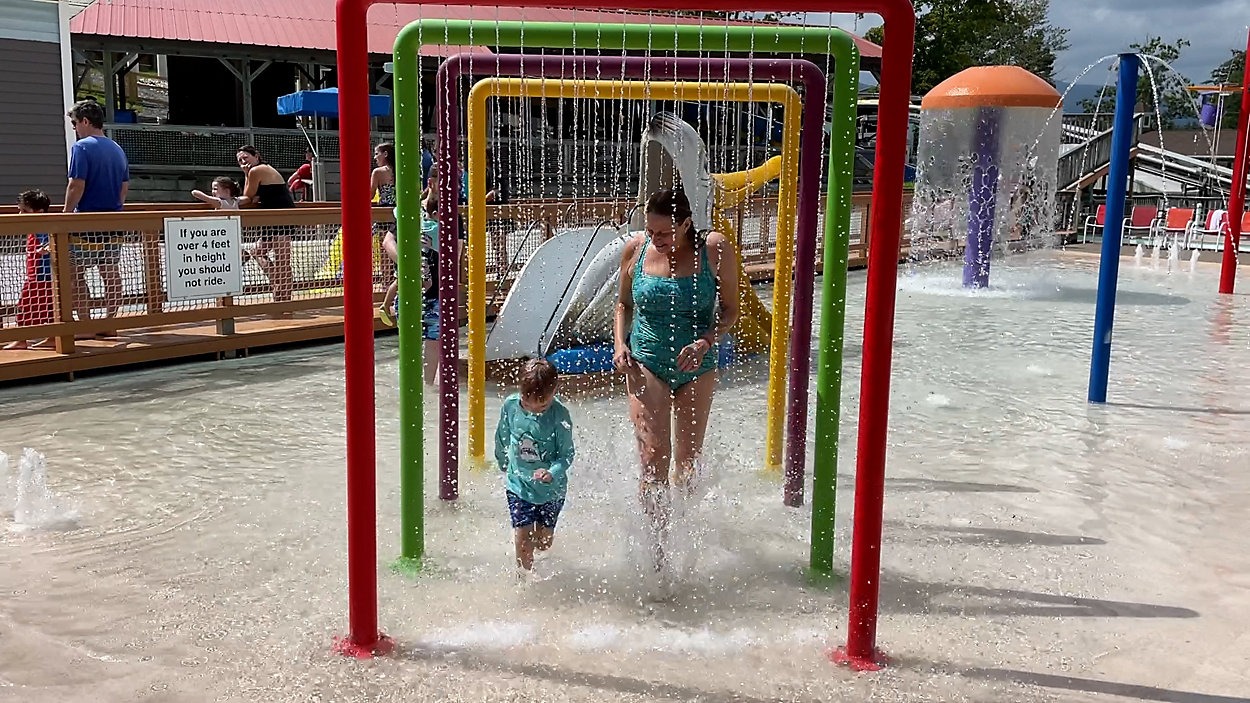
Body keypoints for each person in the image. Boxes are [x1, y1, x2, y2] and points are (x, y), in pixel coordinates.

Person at [612, 187, 739, 570]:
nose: (657, 239)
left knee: (686, 465)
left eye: (665, 233)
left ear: (686, 224)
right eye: (652, 232)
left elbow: (731, 310)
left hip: (695, 367)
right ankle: (656, 553)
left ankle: (687, 541)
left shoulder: (714, 248)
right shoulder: (634, 248)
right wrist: (619, 345)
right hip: (646, 362)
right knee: (653, 461)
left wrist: (704, 341)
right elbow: (622, 303)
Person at [493, 358, 575, 578]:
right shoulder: (511, 406)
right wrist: (502, 460)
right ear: (520, 389)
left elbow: (567, 454)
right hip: (518, 485)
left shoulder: (559, 415)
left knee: (544, 543)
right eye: (528, 404)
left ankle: (539, 562)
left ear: (554, 391)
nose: (535, 410)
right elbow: (502, 436)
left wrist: (552, 472)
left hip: (552, 490)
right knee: (522, 539)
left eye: (543, 405)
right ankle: (524, 583)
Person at [64, 99, 129, 331]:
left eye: (74, 123)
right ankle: (110, 321)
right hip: (113, 220)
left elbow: (76, 184)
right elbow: (124, 187)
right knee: (110, 271)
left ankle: (85, 323)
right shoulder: (117, 148)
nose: (74, 128)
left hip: (87, 221)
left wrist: (66, 214)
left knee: (73, 272)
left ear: (85, 121)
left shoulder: (81, 147)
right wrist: (116, 207)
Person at [236, 145, 294, 303]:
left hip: (281, 216)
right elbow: (250, 196)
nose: (243, 162)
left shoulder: (257, 170)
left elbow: (248, 195)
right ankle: (278, 283)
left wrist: (247, 174)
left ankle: (283, 296)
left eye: (246, 158)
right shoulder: (255, 172)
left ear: (256, 156)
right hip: (271, 217)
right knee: (258, 251)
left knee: (283, 261)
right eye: (240, 160)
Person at [4, 190, 55, 350]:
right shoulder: (36, 226)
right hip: (43, 276)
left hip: (40, 276)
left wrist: (46, 248)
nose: (20, 214)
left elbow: (53, 242)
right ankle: (52, 337)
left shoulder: (42, 227)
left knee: (25, 306)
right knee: (50, 308)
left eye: (24, 211)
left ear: (39, 212)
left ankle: (22, 339)